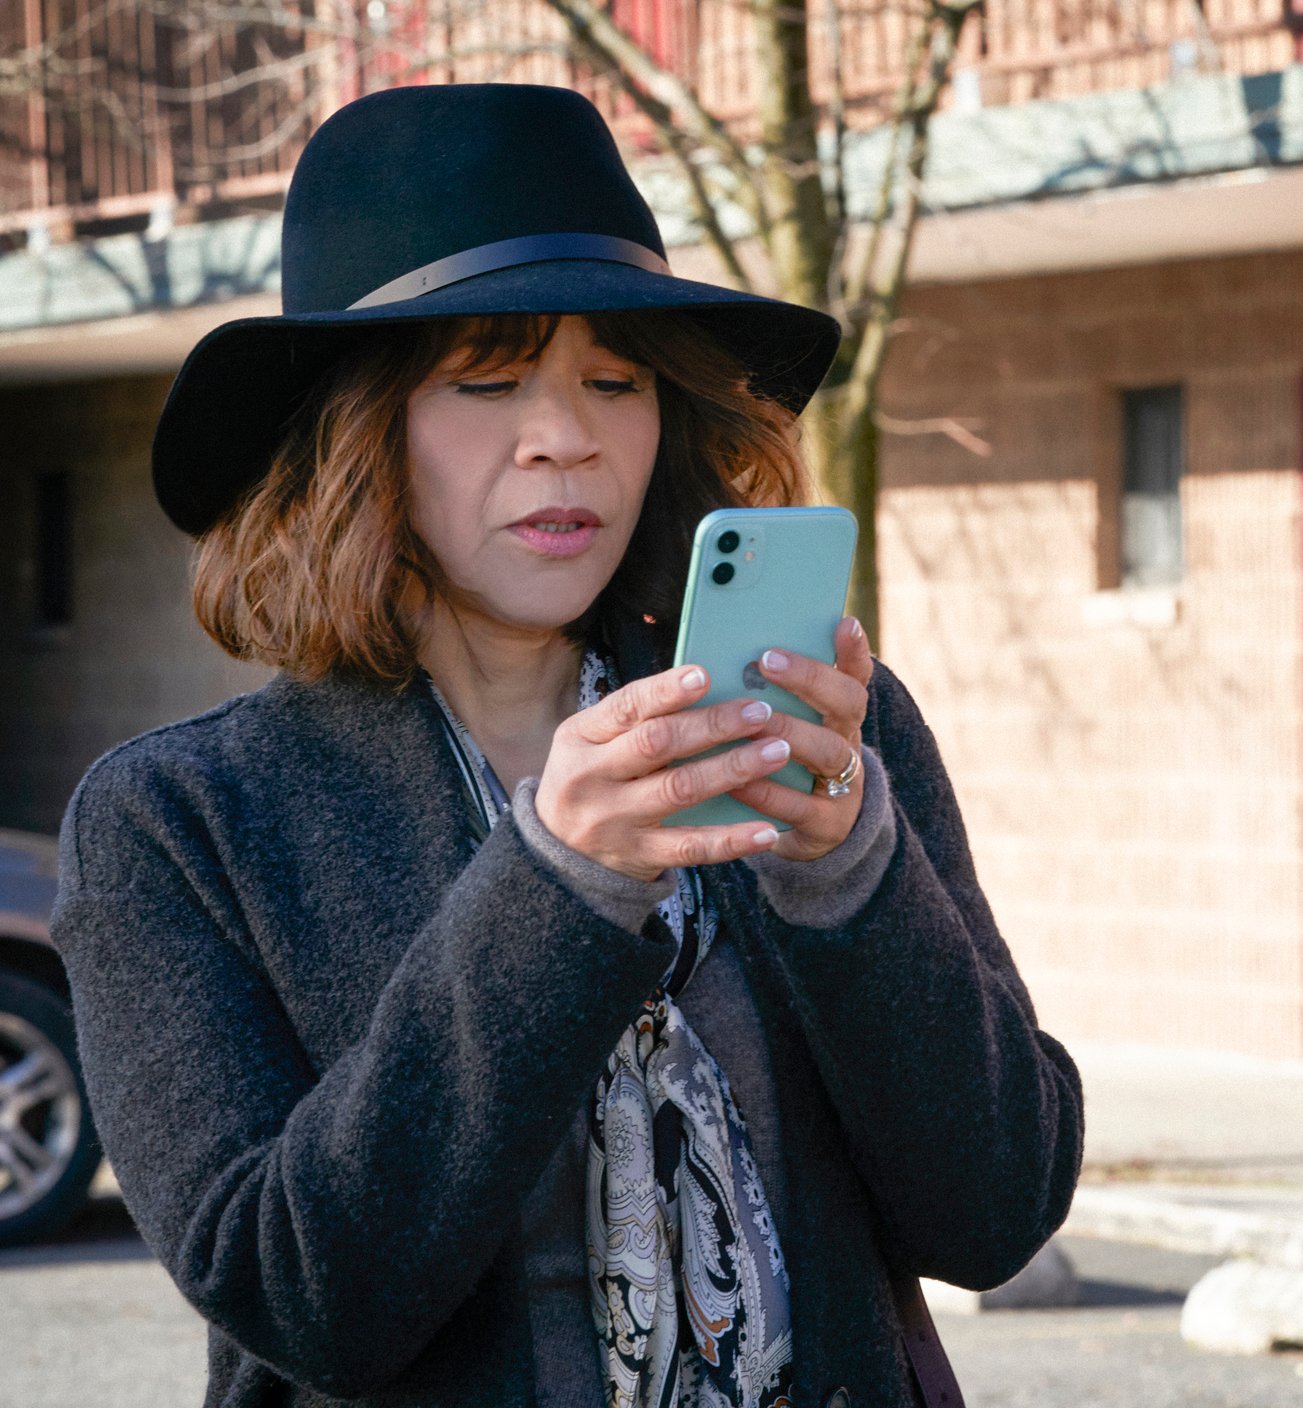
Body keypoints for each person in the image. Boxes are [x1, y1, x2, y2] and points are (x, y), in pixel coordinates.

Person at [48, 82, 1083, 1408]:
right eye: (486, 380)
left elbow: (998, 1212)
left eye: (617, 380)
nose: (568, 439)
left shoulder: (821, 733)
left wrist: (850, 878)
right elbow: (305, 1299)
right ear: (354, 434)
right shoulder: (177, 824)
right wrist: (556, 888)